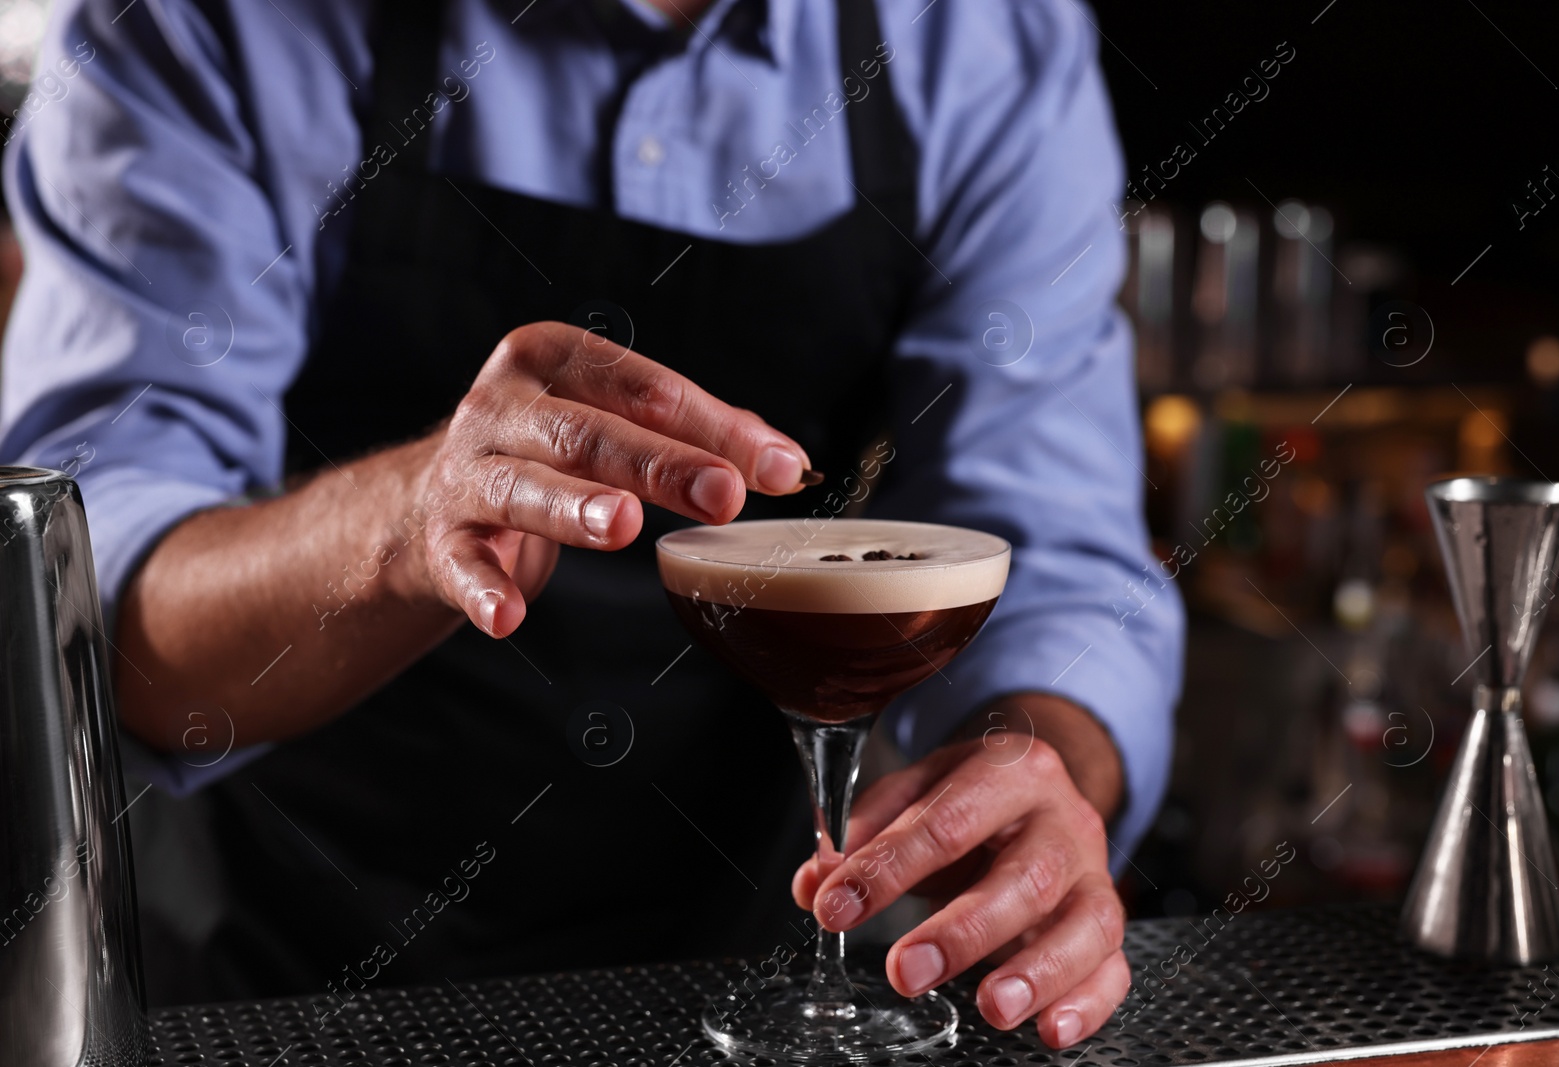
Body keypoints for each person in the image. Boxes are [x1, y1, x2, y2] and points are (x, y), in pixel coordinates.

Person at [0, 0, 1184, 1048]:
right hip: (276, 968)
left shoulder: (988, 33)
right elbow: (83, 609)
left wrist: (1040, 761)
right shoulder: (208, 19)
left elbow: (1051, 550)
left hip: (737, 963)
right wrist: (409, 523)